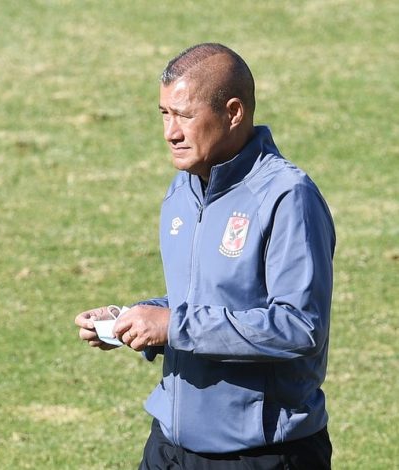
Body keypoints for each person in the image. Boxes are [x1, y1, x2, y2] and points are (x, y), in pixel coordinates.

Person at [74, 43, 335, 469]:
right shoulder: (182, 189)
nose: (169, 133)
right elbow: (205, 297)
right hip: (171, 447)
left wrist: (174, 325)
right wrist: (135, 317)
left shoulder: (288, 197)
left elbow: (299, 327)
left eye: (185, 115)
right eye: (163, 114)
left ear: (233, 112)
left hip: (260, 455)